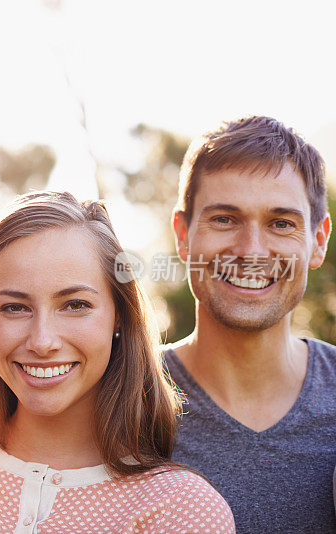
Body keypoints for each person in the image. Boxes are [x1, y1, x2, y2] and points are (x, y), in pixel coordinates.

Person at [0, 191, 235, 532]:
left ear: (119, 314)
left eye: (75, 305)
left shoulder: (181, 509)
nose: (42, 341)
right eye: (15, 307)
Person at [165, 115, 336, 533]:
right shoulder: (119, 395)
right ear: (183, 234)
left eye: (281, 223)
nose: (251, 251)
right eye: (224, 219)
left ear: (318, 240)